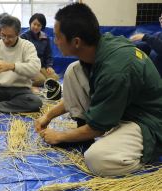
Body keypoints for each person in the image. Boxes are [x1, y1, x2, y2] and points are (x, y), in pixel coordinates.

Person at [35, 3, 162, 176]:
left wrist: (60, 136)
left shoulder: (115, 71)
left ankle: (141, 154)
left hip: (147, 121)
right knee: (74, 70)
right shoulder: (100, 47)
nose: (55, 41)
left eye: (57, 37)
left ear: (76, 42)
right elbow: (77, 96)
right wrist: (48, 115)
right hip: (125, 107)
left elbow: (98, 128)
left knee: (96, 160)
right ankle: (84, 131)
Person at [21, 13, 59, 86]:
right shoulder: (24, 37)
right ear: (30, 23)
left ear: (42, 27)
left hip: (42, 66)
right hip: (29, 66)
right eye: (34, 24)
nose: (36, 27)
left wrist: (49, 66)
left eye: (39, 25)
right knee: (41, 80)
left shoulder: (45, 38)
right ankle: (24, 84)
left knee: (55, 78)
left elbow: (49, 54)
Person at [129, 13, 162, 77]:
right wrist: (130, 45)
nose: (161, 20)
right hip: (154, 77)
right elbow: (147, 46)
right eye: (161, 18)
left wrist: (144, 37)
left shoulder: (154, 39)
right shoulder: (159, 35)